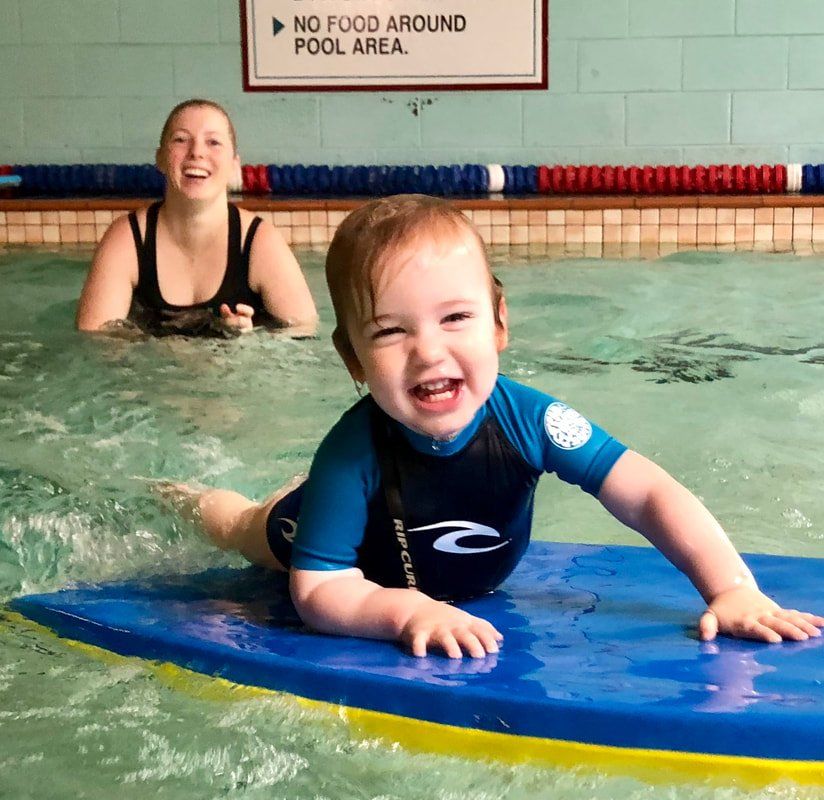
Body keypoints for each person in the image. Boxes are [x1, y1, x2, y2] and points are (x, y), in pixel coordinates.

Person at [186, 194, 823, 658]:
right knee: (241, 526)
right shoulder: (350, 453)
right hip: (304, 531)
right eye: (390, 331)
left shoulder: (531, 421)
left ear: (499, 324)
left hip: (408, 530)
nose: (428, 351)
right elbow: (320, 589)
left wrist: (731, 589)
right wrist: (404, 612)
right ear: (353, 358)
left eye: (455, 318)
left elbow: (649, 492)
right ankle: (188, 498)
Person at [76, 99, 317, 337]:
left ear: (234, 165)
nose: (197, 153)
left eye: (213, 142)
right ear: (160, 158)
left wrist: (251, 343)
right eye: (181, 139)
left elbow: (304, 333)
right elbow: (95, 341)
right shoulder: (127, 238)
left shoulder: (260, 243)